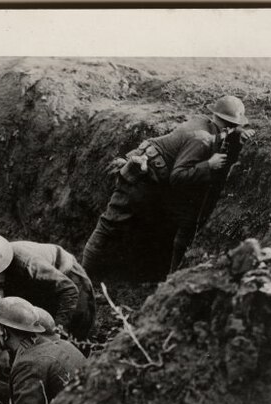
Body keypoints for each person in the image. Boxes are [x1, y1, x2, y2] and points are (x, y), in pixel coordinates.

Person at [82, 95, 256, 280]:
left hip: (155, 177)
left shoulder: (206, 122)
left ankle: (170, 281)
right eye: (233, 126)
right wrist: (208, 166)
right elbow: (178, 176)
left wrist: (238, 133)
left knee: (186, 221)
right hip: (140, 177)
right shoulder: (202, 139)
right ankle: (83, 281)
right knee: (109, 225)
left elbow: (221, 133)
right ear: (227, 124)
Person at [0, 231, 95, 377]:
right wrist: (5, 349)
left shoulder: (26, 264)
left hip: (69, 281)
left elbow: (68, 291)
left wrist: (57, 332)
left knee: (71, 343)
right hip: (37, 290)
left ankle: (79, 382)